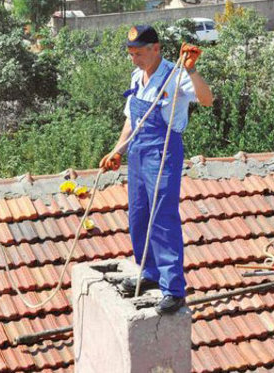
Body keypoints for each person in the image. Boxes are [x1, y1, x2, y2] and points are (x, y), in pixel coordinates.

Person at [99, 25, 213, 314]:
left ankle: (174, 289)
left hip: (163, 150)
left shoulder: (175, 76)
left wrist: (192, 71)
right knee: (139, 214)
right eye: (131, 54)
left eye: (139, 53)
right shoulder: (138, 76)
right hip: (137, 151)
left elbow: (207, 99)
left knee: (162, 217)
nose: (134, 59)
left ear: (156, 49)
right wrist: (117, 150)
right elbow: (131, 119)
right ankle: (148, 271)